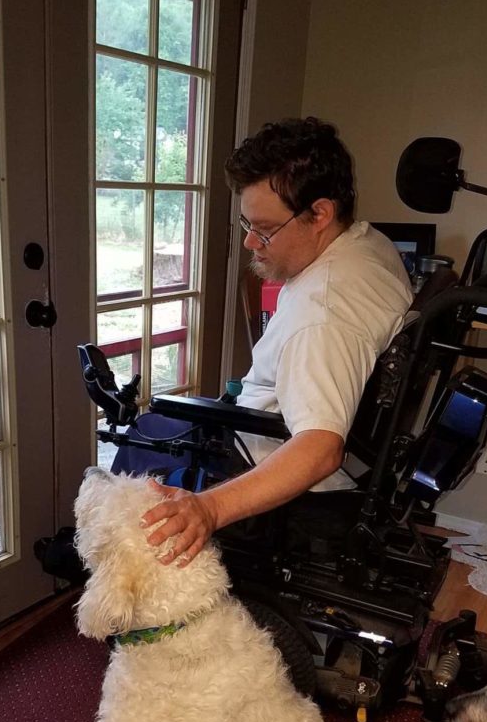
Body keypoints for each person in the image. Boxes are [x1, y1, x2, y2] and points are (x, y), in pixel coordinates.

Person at [140, 116, 413, 566]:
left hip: (268, 467)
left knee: (144, 432)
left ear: (320, 213)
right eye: (248, 224)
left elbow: (320, 448)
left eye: (264, 229)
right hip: (300, 441)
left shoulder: (322, 313)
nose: (250, 242)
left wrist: (208, 508)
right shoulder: (369, 245)